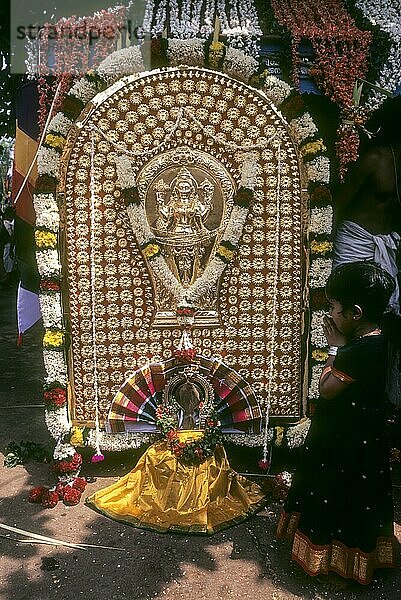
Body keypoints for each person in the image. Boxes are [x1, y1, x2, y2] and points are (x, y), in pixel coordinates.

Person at [276, 261, 398, 587]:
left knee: (338, 494)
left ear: (354, 312)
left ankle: (337, 564)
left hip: (345, 440)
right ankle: (358, 557)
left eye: (333, 307)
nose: (330, 313)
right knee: (359, 495)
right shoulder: (378, 337)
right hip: (363, 437)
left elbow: (326, 389)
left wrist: (334, 349)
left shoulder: (356, 350)